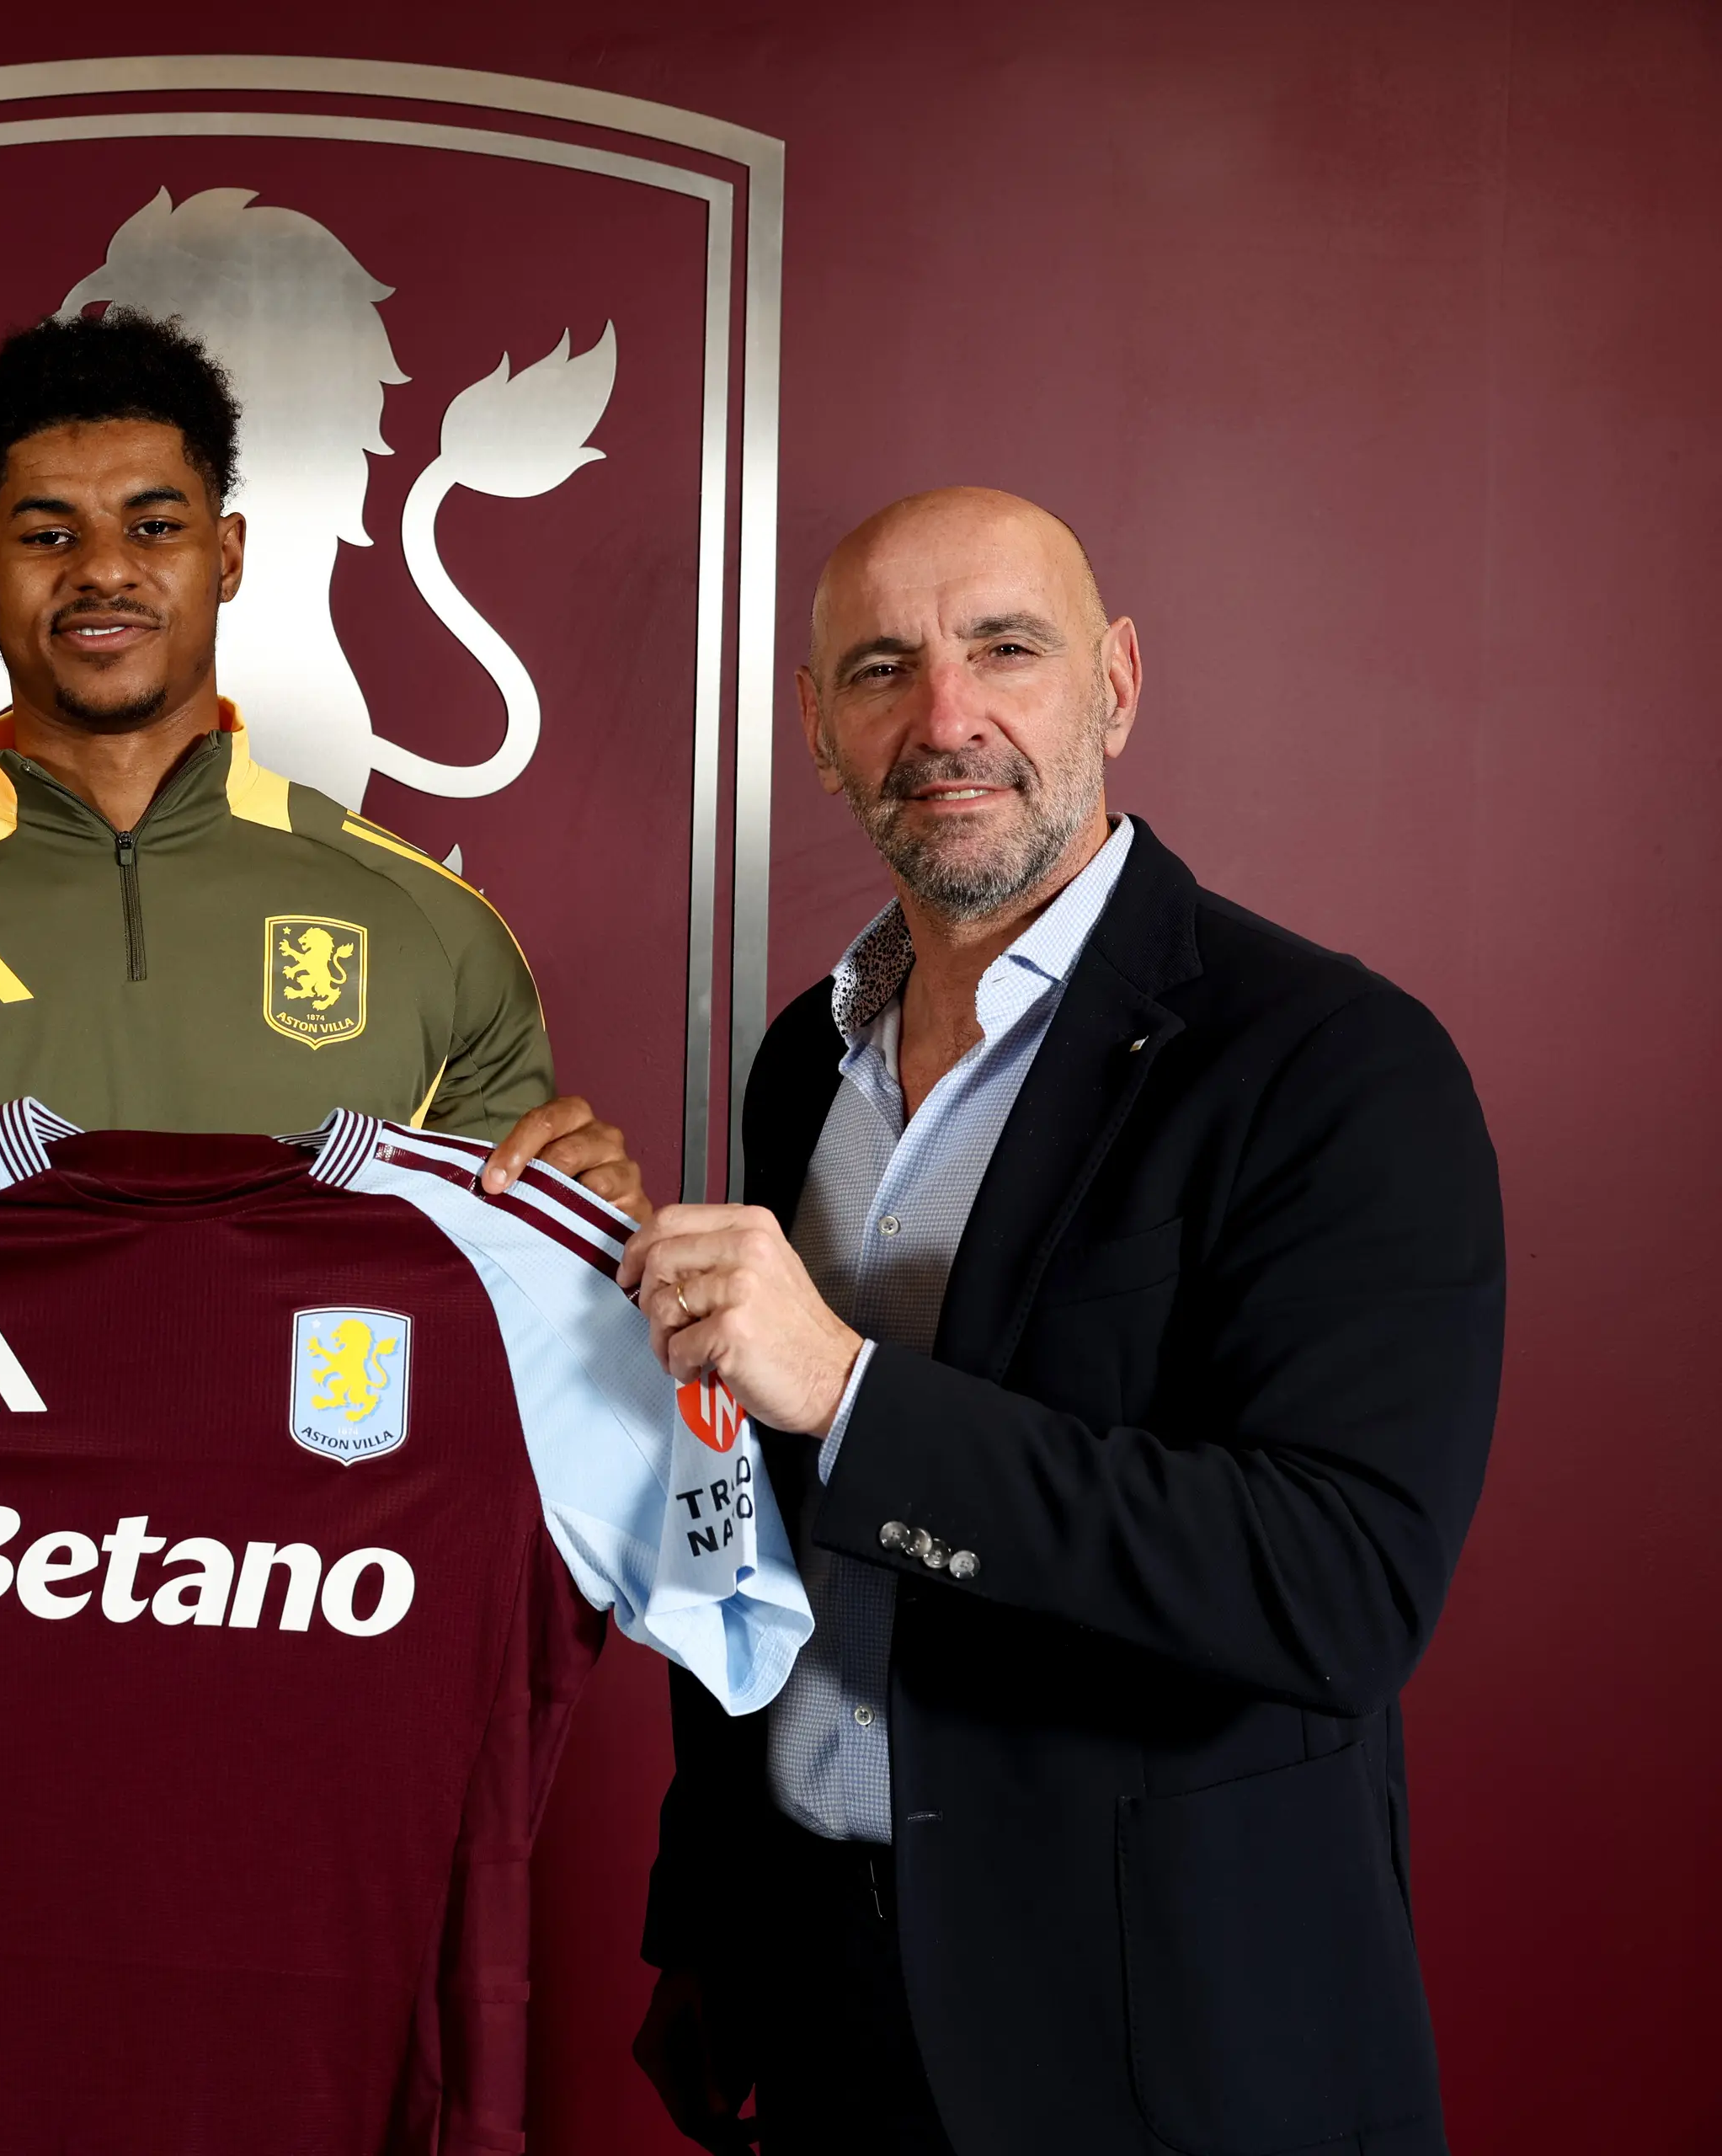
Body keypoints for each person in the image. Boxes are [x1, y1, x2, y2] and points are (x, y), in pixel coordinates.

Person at [621, 488, 1502, 2154]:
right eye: (882, 668)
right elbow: (753, 1513)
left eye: (1004, 650)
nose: (946, 718)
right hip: (822, 2011)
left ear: (1115, 682)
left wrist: (854, 1394)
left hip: (1162, 2050)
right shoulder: (807, 1066)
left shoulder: (1333, 1062)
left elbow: (1336, 1586)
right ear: (817, 726)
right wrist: (713, 1912)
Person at [0, 310, 639, 1238]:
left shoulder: (439, 931)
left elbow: (506, 1305)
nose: (104, 571)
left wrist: (590, 1226)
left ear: (228, 554)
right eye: (49, 534)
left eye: (155, 527)